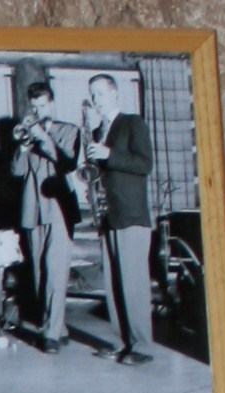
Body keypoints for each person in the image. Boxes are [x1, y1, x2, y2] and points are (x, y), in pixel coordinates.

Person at [84, 72, 156, 364]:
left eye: (100, 93)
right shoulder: (97, 130)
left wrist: (108, 152)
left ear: (115, 94)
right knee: (113, 284)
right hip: (107, 214)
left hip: (131, 215)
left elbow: (144, 164)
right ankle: (120, 340)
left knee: (134, 283)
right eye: (93, 95)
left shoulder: (132, 123)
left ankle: (142, 347)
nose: (96, 100)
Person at [11, 77, 83, 352]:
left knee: (56, 272)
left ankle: (51, 334)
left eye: (43, 105)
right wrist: (23, 147)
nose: (39, 112)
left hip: (59, 209)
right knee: (39, 274)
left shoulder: (69, 130)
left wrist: (45, 137)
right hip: (32, 210)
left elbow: (68, 162)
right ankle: (58, 326)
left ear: (52, 103)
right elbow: (17, 172)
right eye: (34, 107)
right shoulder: (27, 134)